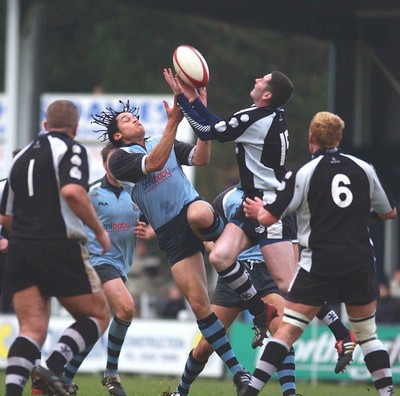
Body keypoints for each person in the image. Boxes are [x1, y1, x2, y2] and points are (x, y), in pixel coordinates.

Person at [91, 96, 274, 395]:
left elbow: (201, 158)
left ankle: (233, 262)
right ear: (117, 136)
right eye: (126, 120)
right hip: (171, 235)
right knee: (201, 307)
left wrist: (198, 119)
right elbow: (152, 164)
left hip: (193, 213)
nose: (134, 119)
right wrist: (173, 122)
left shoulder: (162, 142)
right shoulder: (119, 158)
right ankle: (239, 373)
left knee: (200, 213)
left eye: (133, 116)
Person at [242, 111, 397, 396]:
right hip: (360, 262)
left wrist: (256, 212)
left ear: (311, 137)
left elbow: (267, 218)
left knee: (287, 331)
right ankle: (387, 393)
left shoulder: (304, 173)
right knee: (367, 335)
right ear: (339, 137)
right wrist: (360, 213)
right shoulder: (364, 168)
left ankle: (250, 392)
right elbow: (389, 212)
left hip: (319, 263)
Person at [164, 185, 356, 396]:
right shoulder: (226, 198)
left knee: (282, 333)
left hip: (266, 276)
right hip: (233, 275)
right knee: (205, 347)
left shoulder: (281, 200)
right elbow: (209, 241)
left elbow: (291, 245)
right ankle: (181, 392)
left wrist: (290, 279)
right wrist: (228, 249)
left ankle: (290, 393)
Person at [164, 68, 296, 348]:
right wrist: (196, 103)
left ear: (268, 94)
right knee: (220, 257)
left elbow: (208, 131)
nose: (257, 79)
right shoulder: (263, 113)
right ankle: (260, 311)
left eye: (263, 80)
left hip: (267, 204)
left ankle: (338, 329)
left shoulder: (256, 117)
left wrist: (182, 99)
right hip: (254, 204)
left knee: (286, 284)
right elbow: (220, 126)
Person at [0, 100, 111, 396]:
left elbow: (6, 217)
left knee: (31, 330)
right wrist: (99, 231)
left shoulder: (20, 156)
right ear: (75, 128)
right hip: (58, 244)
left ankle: (12, 392)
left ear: (45, 126)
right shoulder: (72, 149)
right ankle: (53, 365)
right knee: (98, 315)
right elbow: (72, 191)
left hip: (20, 248)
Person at [31, 142, 154, 396]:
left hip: (121, 268)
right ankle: (111, 374)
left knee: (95, 324)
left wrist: (149, 230)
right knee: (127, 308)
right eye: (112, 161)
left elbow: (152, 222)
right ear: (105, 164)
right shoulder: (92, 192)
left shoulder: (137, 193)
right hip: (95, 262)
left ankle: (62, 375)